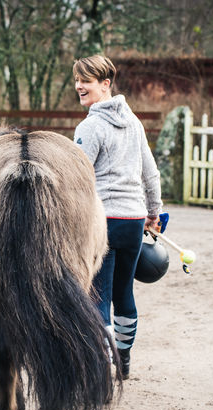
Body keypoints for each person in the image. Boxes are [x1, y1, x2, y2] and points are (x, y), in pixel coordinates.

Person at [72, 54, 163, 378]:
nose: (79, 86)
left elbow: (77, 181)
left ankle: (100, 366)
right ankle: (123, 361)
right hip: (134, 221)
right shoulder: (134, 122)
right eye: (77, 80)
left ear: (106, 84)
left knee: (99, 295)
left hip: (105, 223)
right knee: (124, 294)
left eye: (86, 80)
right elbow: (151, 174)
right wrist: (154, 213)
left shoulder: (90, 127)